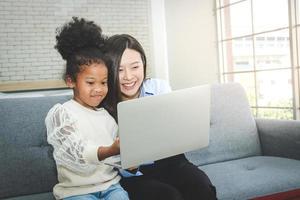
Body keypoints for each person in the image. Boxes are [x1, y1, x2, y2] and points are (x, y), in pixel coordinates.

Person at [104, 34, 217, 200]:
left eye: (135, 67)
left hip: (171, 162)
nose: (128, 76)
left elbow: (174, 127)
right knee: (168, 196)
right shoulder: (102, 103)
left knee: (201, 186)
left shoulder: (158, 87)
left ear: (143, 64)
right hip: (133, 175)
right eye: (120, 70)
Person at [45, 17, 129, 200]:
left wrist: (130, 162)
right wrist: (110, 150)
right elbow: (77, 154)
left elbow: (117, 158)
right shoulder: (61, 113)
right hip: (75, 192)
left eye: (104, 82)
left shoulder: (106, 116)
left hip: (110, 186)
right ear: (71, 81)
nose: (98, 89)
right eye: (90, 82)